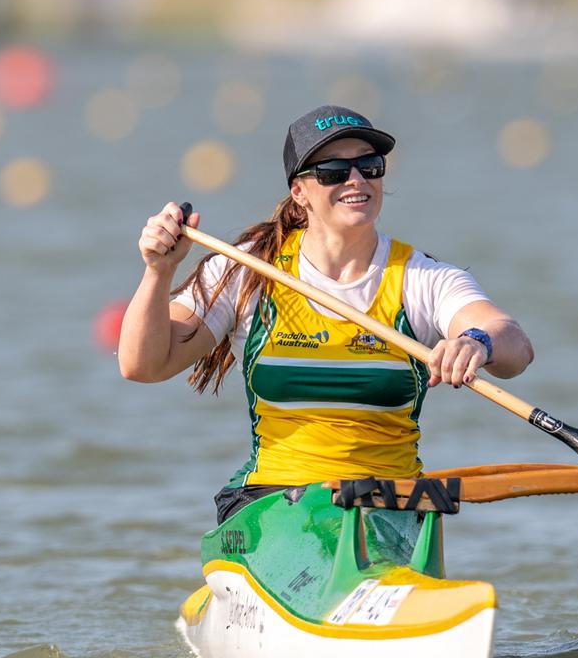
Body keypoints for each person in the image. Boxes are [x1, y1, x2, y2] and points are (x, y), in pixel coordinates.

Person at [118, 105, 535, 523]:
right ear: (299, 191)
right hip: (274, 504)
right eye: (334, 171)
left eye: (370, 166)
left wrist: (476, 342)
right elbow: (143, 365)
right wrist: (159, 271)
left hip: (389, 504)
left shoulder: (421, 278)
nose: (357, 180)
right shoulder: (245, 270)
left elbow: (513, 344)